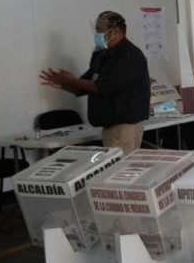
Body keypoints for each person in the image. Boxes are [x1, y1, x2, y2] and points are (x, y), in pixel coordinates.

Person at [39, 11, 150, 155]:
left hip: (124, 127)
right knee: (111, 167)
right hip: (109, 127)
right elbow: (85, 84)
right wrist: (64, 84)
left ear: (115, 31)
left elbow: (106, 86)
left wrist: (73, 80)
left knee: (118, 168)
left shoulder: (130, 55)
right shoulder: (104, 55)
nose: (97, 34)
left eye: (100, 30)